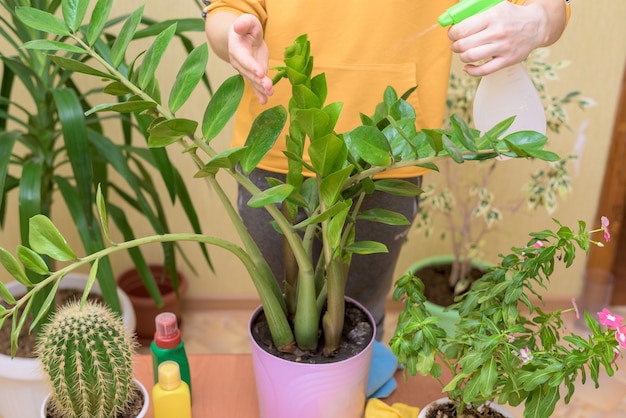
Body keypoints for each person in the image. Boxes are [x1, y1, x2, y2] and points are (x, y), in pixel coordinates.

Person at [203, 0, 570, 340]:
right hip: (274, 151)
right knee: (281, 312)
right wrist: (233, 35)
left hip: (389, 158)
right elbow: (228, 10)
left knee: (360, 319)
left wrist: (535, 21)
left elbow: (547, 7)